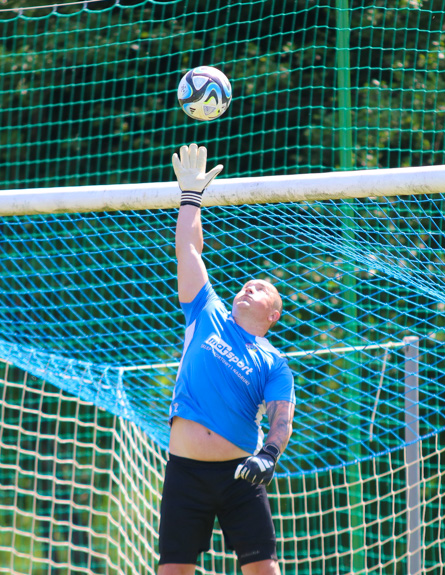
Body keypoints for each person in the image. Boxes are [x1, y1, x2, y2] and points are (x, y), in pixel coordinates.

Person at [157, 144, 296, 575]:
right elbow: (189, 251)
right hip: (185, 474)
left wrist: (268, 457)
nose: (248, 287)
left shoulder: (275, 363)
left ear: (272, 315)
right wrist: (191, 198)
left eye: (261, 288)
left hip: (242, 476)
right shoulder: (208, 310)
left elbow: (281, 420)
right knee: (172, 571)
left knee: (264, 571)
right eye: (245, 284)